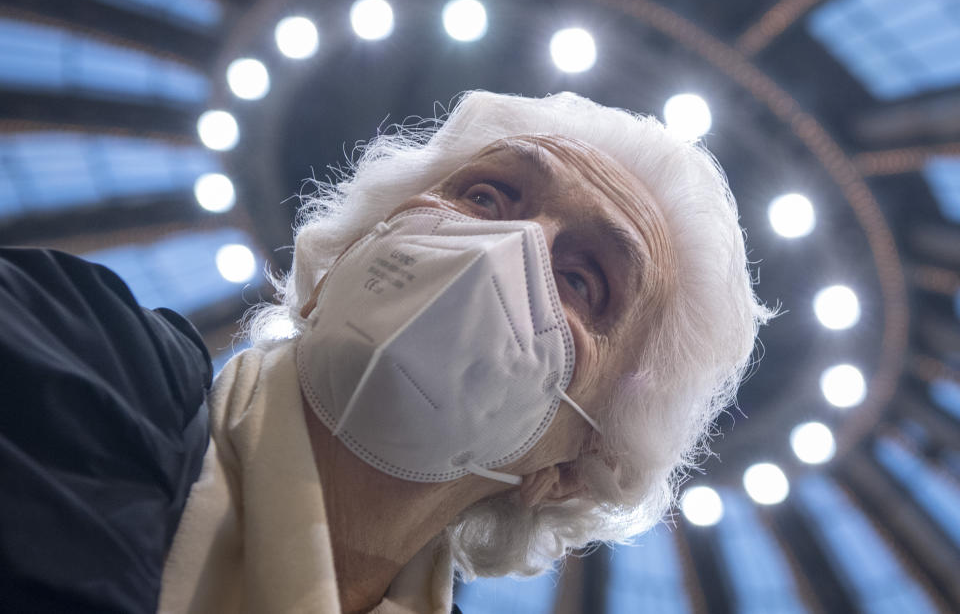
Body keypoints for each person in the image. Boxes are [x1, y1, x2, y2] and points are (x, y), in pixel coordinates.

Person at [0, 91, 770, 614]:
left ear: (569, 471)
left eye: (581, 277)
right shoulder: (64, 355)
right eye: (484, 196)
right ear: (338, 262)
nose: (500, 249)